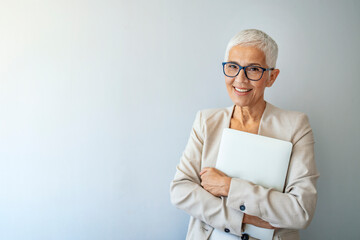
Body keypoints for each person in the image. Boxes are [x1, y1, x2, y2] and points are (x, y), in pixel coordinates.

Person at [170, 29, 319, 240]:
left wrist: (228, 187)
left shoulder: (296, 126)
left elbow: (301, 211)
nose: (240, 79)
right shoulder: (206, 121)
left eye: (254, 69)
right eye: (232, 67)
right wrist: (243, 219)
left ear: (271, 77)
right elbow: (180, 190)